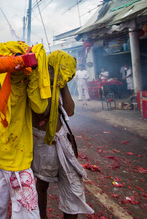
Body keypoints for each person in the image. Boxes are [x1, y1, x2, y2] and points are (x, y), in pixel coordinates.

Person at [0, 41, 50, 219]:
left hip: (20, 162)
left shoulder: (27, 79)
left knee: (28, 216)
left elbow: (40, 108)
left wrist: (32, 72)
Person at [31, 50, 94, 219]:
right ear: (47, 69)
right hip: (42, 143)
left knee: (73, 185)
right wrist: (50, 83)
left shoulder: (59, 84)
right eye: (56, 71)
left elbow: (70, 111)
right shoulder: (37, 84)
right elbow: (42, 112)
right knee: (42, 184)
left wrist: (62, 84)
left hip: (61, 139)